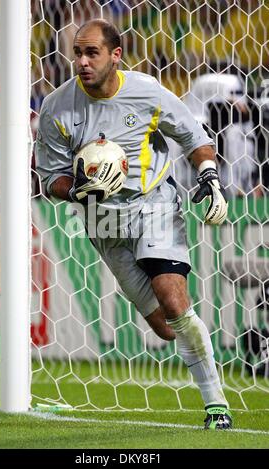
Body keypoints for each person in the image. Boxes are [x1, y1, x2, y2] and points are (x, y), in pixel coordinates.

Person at [36, 19, 232, 430]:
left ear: (115, 55)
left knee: (174, 302)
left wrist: (210, 177)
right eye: (77, 53)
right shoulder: (57, 107)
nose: (83, 62)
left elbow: (192, 135)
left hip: (153, 205)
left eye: (92, 53)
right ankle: (195, 351)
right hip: (102, 220)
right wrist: (77, 190)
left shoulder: (146, 91)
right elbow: (49, 176)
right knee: (164, 326)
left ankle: (216, 405)